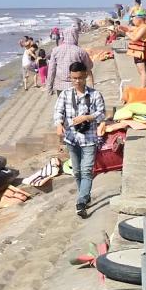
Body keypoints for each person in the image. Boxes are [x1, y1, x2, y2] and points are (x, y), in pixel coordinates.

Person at [53, 61, 106, 218]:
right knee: (76, 172)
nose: (77, 81)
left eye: (80, 78)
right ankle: (85, 194)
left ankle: (81, 201)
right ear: (70, 77)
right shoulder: (65, 94)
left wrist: (86, 117)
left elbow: (102, 114)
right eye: (74, 78)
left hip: (89, 139)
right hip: (71, 139)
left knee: (87, 170)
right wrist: (58, 125)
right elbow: (58, 112)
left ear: (86, 76)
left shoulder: (95, 95)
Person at [46, 24, 93, 96]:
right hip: (77, 84)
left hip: (60, 86)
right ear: (75, 36)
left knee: (63, 106)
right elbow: (89, 66)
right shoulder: (80, 51)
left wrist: (49, 88)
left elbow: (51, 70)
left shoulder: (55, 50)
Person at [127, 12, 146, 88]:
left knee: (142, 71)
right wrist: (121, 28)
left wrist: (127, 34)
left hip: (140, 52)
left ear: (140, 19)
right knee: (140, 71)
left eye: (134, 18)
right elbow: (129, 28)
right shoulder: (140, 27)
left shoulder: (144, 28)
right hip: (137, 52)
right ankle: (143, 87)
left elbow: (135, 39)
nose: (133, 20)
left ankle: (143, 88)